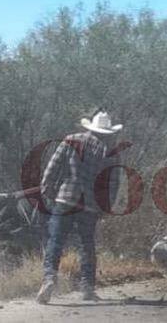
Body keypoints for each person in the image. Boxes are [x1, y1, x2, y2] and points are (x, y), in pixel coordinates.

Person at [35, 110, 122, 304]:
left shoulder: (71, 140)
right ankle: (87, 287)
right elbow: (113, 184)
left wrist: (48, 191)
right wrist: (105, 208)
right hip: (90, 205)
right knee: (86, 245)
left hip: (65, 199)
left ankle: (49, 279)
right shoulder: (110, 152)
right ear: (107, 132)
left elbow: (52, 167)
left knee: (55, 241)